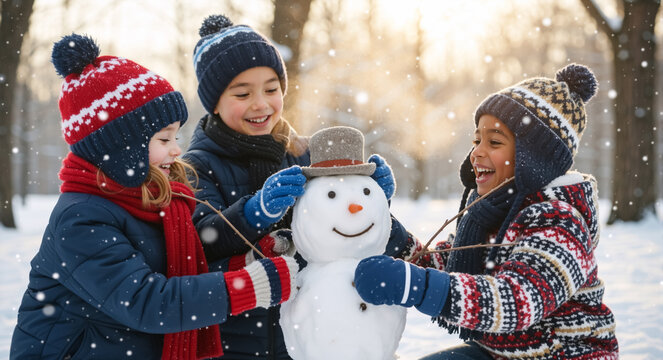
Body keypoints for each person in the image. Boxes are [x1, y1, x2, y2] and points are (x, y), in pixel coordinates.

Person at [10, 33, 298, 360]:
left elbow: (180, 271)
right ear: (120, 149)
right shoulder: (80, 220)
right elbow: (148, 301)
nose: (177, 149)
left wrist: (248, 259)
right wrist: (248, 286)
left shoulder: (151, 201)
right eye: (164, 139)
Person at [185, 14, 420, 359]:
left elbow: (349, 230)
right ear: (214, 103)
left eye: (271, 89)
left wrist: (376, 206)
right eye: (242, 93)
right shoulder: (197, 167)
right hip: (235, 341)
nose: (261, 104)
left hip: (310, 335)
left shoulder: (305, 154)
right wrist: (254, 213)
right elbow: (200, 243)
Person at [354, 64, 619, 359]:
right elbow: (445, 263)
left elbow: (516, 301)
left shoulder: (561, 221)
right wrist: (388, 232)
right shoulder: (492, 211)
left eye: (494, 142)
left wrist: (414, 286)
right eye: (476, 140)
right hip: (496, 354)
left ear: (534, 158)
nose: (477, 152)